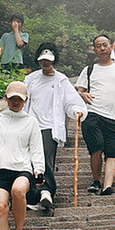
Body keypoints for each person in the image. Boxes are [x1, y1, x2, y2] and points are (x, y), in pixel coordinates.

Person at [0, 83, 45, 230]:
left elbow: (36, 148)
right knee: (1, 206)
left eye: (19, 99)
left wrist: (39, 169)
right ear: (6, 98)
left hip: (22, 168)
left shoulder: (30, 122)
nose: (15, 102)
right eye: (12, 98)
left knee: (18, 190)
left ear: (25, 101)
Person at [22, 46, 80, 212]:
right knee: (31, 160)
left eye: (49, 60)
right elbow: (23, 99)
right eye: (43, 61)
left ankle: (46, 190)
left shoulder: (61, 80)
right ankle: (33, 195)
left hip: (50, 126)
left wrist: (76, 110)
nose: (46, 63)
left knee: (46, 158)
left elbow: (70, 100)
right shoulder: (31, 79)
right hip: (31, 124)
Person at [75, 34, 115, 195]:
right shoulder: (89, 70)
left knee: (113, 152)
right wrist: (83, 95)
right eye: (98, 46)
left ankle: (107, 186)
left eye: (105, 45)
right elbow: (80, 90)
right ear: (95, 50)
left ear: (111, 46)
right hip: (93, 112)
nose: (102, 48)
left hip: (114, 116)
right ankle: (96, 180)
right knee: (97, 147)